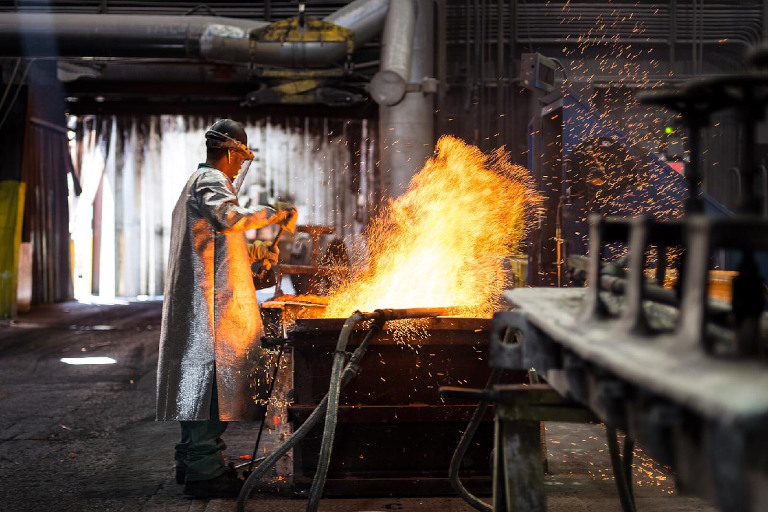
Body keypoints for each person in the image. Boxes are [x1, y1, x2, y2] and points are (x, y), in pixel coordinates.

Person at [156, 119, 297, 498]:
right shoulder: (212, 180)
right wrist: (274, 213)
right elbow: (229, 218)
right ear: (233, 152)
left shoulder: (195, 183)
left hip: (203, 301)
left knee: (198, 388)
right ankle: (206, 474)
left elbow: (217, 244)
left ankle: (193, 464)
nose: (239, 168)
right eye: (241, 159)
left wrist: (255, 254)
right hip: (211, 309)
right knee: (212, 389)